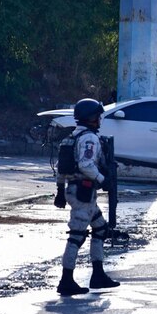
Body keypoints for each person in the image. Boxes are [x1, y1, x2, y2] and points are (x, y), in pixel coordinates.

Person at [54, 98, 120, 296]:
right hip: (83, 192)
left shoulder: (71, 137)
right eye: (98, 116)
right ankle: (66, 280)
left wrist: (59, 191)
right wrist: (103, 180)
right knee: (76, 236)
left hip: (79, 191)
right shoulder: (89, 139)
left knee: (100, 228)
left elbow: (61, 168)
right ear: (91, 118)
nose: (100, 119)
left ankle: (98, 275)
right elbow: (86, 165)